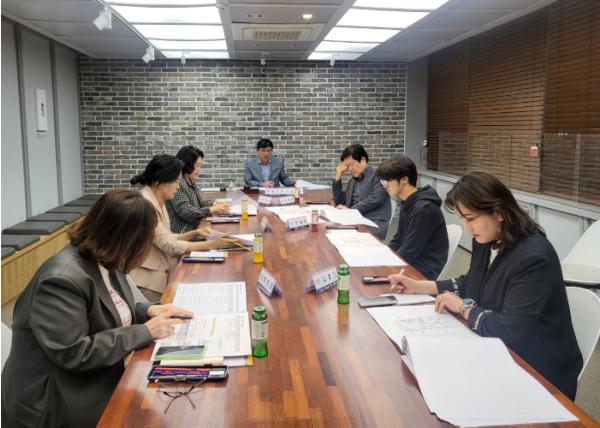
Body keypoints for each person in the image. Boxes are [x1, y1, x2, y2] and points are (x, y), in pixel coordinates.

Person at [1, 189, 194, 427]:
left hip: (90, 379)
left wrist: (147, 311)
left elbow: (111, 307)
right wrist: (145, 331)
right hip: (53, 401)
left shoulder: (106, 258)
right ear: (125, 238)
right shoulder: (60, 280)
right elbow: (74, 351)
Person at [388, 171, 583, 400]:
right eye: (462, 219)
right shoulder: (487, 238)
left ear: (498, 212)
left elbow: (510, 330)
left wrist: (463, 308)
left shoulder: (533, 257)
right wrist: (421, 287)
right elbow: (473, 281)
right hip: (497, 351)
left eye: (470, 218)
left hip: (538, 372)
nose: (467, 227)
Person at [129, 154, 238, 301]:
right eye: (175, 181)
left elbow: (166, 236)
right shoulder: (146, 204)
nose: (178, 186)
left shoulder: (156, 198)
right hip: (149, 283)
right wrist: (212, 244)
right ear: (159, 182)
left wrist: (195, 232)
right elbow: (169, 245)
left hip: (161, 273)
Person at [377, 155, 448, 279]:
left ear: (404, 179)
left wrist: (384, 266)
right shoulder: (408, 203)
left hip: (422, 271)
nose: (385, 186)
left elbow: (408, 252)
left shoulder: (423, 209)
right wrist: (383, 256)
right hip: (412, 263)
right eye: (383, 181)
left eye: (387, 180)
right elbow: (398, 240)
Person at [332, 144, 391, 239]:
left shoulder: (379, 175)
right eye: (347, 166)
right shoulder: (353, 181)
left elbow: (375, 199)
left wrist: (351, 211)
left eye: (351, 164)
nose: (349, 169)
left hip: (373, 223)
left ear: (362, 160)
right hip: (355, 221)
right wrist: (338, 177)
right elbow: (340, 203)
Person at [167, 145, 230, 233]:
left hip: (196, 228)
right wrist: (211, 209)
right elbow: (186, 212)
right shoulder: (178, 183)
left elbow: (198, 204)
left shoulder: (189, 180)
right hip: (185, 232)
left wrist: (214, 204)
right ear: (188, 164)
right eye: (197, 165)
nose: (199, 169)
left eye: (200, 166)